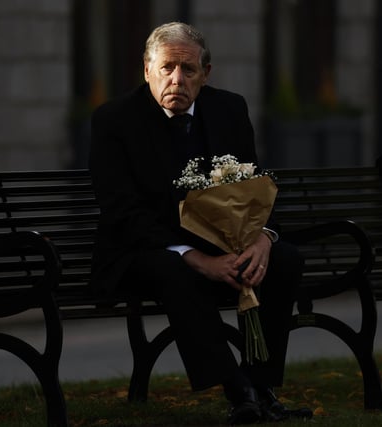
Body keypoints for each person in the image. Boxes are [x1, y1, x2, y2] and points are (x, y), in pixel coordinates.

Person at [89, 21, 311, 425]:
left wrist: (262, 237)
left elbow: (253, 183)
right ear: (146, 69)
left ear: (205, 74)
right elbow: (121, 212)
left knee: (283, 260)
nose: (177, 79)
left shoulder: (229, 109)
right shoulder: (114, 120)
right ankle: (236, 388)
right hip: (143, 251)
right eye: (167, 67)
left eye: (188, 70)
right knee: (176, 271)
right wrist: (195, 257)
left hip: (222, 244)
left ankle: (261, 386)